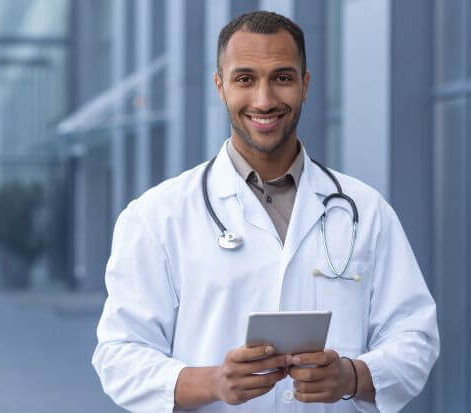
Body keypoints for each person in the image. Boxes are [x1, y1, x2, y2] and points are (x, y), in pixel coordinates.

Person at [92, 11, 439, 413]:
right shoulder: (157, 216)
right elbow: (118, 356)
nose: (264, 100)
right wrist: (212, 382)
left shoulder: (366, 211)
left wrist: (352, 376)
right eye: (245, 79)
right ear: (220, 86)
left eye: (282, 78)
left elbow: (415, 337)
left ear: (305, 85)